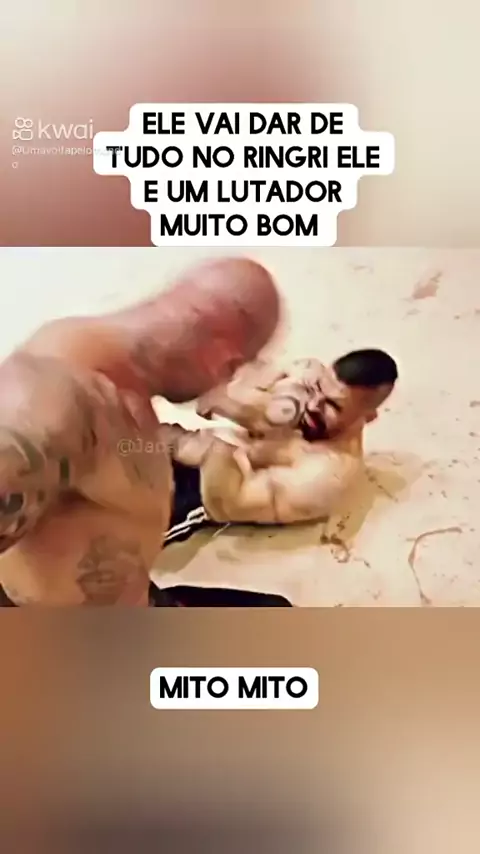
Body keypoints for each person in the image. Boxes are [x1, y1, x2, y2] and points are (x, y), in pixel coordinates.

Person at [0, 257, 280, 606]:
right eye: (236, 369)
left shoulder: (119, 381)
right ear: (225, 360)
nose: (225, 381)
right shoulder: (56, 392)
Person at [159, 349, 398, 544]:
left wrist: (213, 450)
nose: (313, 405)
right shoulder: (305, 375)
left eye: (333, 406)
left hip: (198, 489)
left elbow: (227, 505)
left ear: (368, 417)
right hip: (184, 442)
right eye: (317, 389)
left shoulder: (328, 473)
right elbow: (241, 381)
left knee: (136, 522)